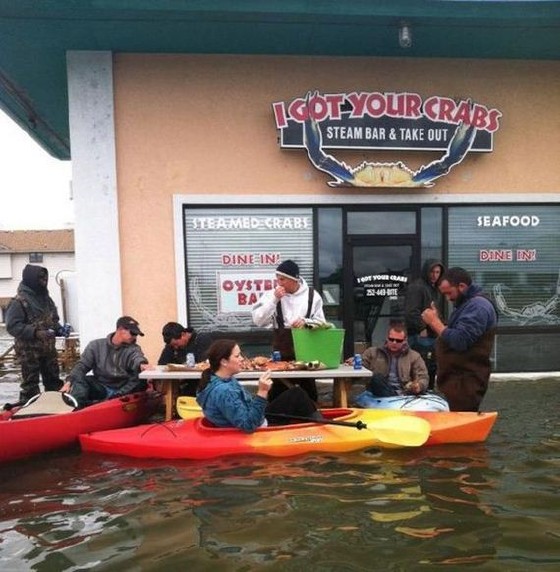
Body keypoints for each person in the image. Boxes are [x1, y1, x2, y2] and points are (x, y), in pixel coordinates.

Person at [196, 338, 319, 432]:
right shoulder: (224, 391)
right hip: (258, 426)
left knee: (295, 393)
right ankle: (323, 428)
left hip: (255, 417)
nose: (242, 359)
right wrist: (262, 392)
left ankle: (316, 423)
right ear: (223, 362)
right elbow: (248, 426)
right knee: (298, 395)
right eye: (237, 356)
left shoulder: (217, 379)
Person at [421, 267, 498, 412]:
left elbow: (460, 340)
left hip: (465, 383)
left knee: (461, 427)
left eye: (449, 293)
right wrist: (438, 321)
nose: (448, 298)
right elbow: (453, 334)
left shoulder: (478, 307)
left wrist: (434, 322)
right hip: (457, 381)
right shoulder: (467, 305)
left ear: (462, 286)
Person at [251, 259, 325, 402]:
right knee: (278, 397)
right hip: (280, 356)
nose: (279, 283)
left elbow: (322, 324)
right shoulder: (271, 295)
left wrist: (306, 322)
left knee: (308, 397)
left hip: (306, 356)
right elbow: (258, 320)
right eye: (277, 279)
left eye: (282, 279)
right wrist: (274, 300)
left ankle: (309, 420)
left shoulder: (312, 295)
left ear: (294, 280)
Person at [61, 316, 152, 407]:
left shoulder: (133, 348)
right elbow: (82, 366)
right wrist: (69, 381)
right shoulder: (95, 345)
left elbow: (137, 357)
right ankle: (76, 408)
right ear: (120, 329)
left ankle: (105, 404)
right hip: (102, 387)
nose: (134, 337)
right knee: (80, 379)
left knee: (140, 381)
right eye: (132, 333)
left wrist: (142, 364)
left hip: (124, 390)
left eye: (136, 334)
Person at [5, 264, 64, 403]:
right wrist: (36, 333)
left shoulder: (46, 299)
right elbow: (12, 326)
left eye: (45, 278)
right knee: (30, 385)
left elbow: (53, 319)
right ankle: (29, 410)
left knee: (54, 381)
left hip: (48, 349)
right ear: (31, 279)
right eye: (40, 278)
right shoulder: (18, 301)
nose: (44, 281)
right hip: (29, 352)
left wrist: (59, 328)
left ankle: (56, 406)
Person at [351, 322, 429, 400]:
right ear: (386, 338)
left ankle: (394, 399)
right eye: (391, 339)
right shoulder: (373, 352)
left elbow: (423, 377)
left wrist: (418, 386)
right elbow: (361, 370)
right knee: (376, 378)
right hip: (380, 391)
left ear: (405, 340)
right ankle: (394, 399)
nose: (394, 343)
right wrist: (353, 364)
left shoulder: (414, 356)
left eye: (398, 341)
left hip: (405, 393)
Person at [404, 259, 445, 389]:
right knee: (421, 369)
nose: (434, 275)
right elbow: (411, 313)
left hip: (431, 336)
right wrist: (422, 327)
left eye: (438, 272)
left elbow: (435, 312)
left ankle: (427, 393)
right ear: (426, 271)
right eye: (432, 272)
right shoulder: (417, 287)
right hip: (420, 338)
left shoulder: (434, 289)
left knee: (431, 368)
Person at [158, 322, 201, 397]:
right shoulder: (171, 347)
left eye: (176, 344)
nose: (175, 347)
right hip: (182, 385)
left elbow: (205, 363)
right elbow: (162, 365)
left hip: (200, 384)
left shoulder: (200, 340)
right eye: (172, 345)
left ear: (183, 335)